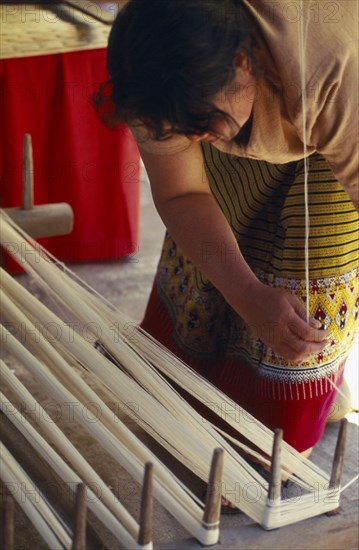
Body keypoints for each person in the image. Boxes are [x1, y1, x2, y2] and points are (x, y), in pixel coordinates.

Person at [95, 0, 358, 507]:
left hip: (325, 103)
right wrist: (248, 295)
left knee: (315, 279)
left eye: (203, 123)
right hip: (242, 94)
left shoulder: (332, 65)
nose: (201, 140)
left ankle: (315, 396)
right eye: (183, 129)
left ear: (243, 61)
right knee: (212, 262)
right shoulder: (155, 54)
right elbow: (182, 195)